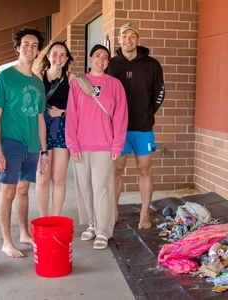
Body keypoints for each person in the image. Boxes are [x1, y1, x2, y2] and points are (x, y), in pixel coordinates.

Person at [0, 27, 48, 258]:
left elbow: (41, 119)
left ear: (38, 50)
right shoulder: (4, 77)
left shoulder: (39, 83)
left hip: (32, 144)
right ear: (17, 48)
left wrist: (44, 152)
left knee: (23, 190)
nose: (30, 48)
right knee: (8, 192)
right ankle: (6, 242)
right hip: (11, 141)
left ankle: (23, 233)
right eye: (26, 44)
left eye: (34, 45)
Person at [65, 44, 128, 250]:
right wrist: (72, 145)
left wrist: (117, 144)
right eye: (98, 56)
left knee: (102, 189)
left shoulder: (115, 84)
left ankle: (103, 230)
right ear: (90, 59)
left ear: (108, 62)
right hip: (82, 145)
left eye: (105, 57)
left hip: (104, 145)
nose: (101, 60)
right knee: (85, 189)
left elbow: (120, 116)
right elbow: (72, 115)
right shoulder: (78, 84)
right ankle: (92, 225)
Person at [107, 23, 165, 229]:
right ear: (119, 39)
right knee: (116, 170)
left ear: (138, 39)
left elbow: (159, 93)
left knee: (144, 169)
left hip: (142, 127)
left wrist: (148, 112)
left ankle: (144, 214)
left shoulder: (152, 64)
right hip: (117, 129)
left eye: (133, 36)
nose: (128, 40)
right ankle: (113, 211)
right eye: (125, 36)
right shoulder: (111, 64)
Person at [35, 41, 75, 216]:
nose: (58, 58)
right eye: (55, 54)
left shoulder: (71, 78)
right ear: (48, 56)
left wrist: (62, 112)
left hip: (62, 130)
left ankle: (56, 219)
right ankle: (44, 219)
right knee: (43, 179)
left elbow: (79, 109)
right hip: (42, 128)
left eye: (62, 55)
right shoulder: (38, 77)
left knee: (58, 179)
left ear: (66, 58)